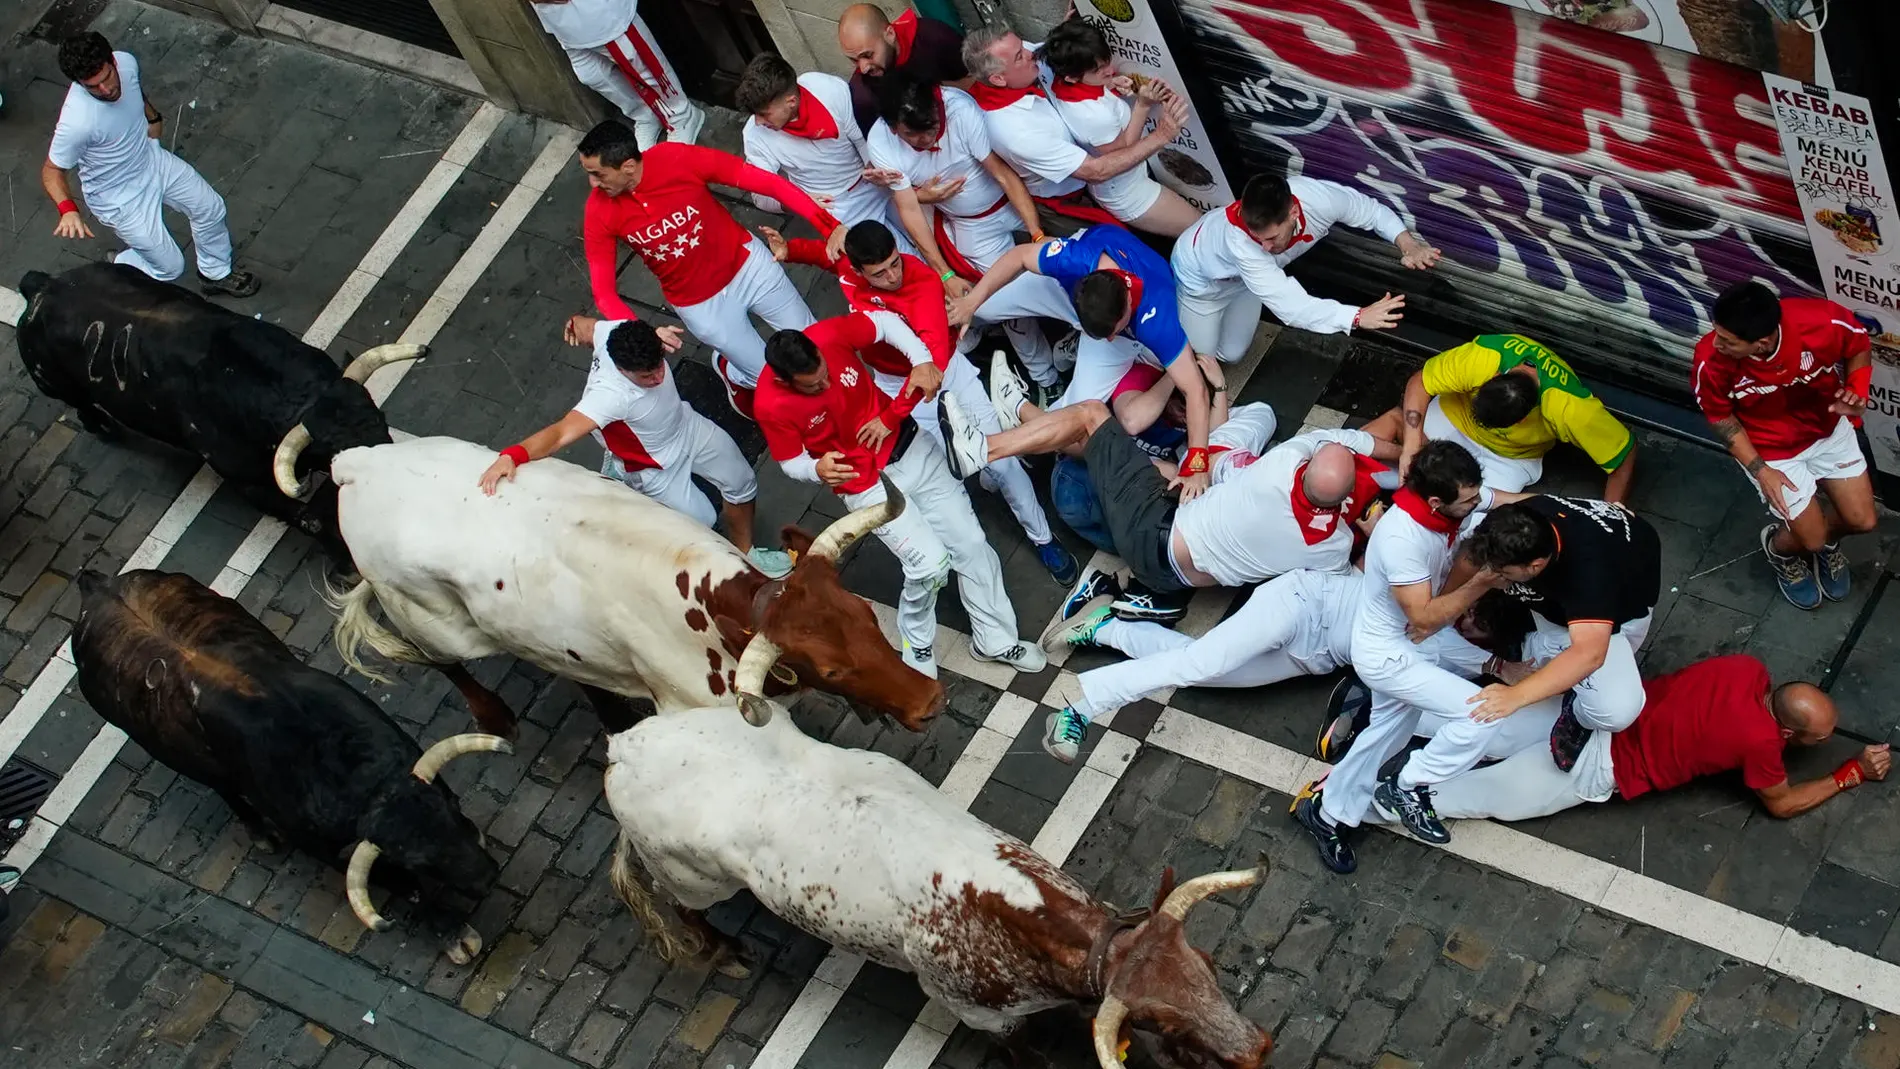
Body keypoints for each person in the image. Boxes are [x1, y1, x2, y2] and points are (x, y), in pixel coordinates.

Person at [762, 219, 1081, 584]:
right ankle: (969, 536)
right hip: (890, 382)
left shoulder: (924, 285)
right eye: (879, 273)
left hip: (943, 374)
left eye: (896, 263)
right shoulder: (849, 273)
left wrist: (890, 417)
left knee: (1004, 462)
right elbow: (828, 256)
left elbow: (931, 368)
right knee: (943, 468)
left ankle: (1043, 538)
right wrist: (794, 251)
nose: (893, 275)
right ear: (858, 270)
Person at [755, 316, 1046, 678]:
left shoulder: (829, 333)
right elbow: (788, 461)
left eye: (826, 373)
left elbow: (884, 323)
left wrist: (921, 359)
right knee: (930, 565)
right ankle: (917, 643)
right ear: (786, 381)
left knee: (971, 543)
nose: (827, 384)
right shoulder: (770, 404)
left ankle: (995, 641)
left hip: (911, 448)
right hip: (865, 485)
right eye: (814, 386)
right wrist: (814, 469)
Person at [1373, 494, 1661, 839]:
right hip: (1563, 604)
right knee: (1520, 712)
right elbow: (1472, 557)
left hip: (1622, 619)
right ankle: (1390, 711)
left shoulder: (1588, 571)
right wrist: (1442, 613)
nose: (1491, 576)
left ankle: (1550, 671)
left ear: (1534, 567)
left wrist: (1515, 696)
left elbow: (1590, 653)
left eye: (1501, 573)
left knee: (1615, 710)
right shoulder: (1514, 523)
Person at [1370, 655, 1890, 824]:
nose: (1822, 741)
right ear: (1786, 731)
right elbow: (1781, 803)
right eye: (1815, 738)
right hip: (1595, 767)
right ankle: (1360, 802)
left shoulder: (1745, 669)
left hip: (1585, 717)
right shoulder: (1761, 744)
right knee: (1480, 796)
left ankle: (1375, 711)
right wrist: (1850, 774)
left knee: (1485, 726)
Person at [1295, 440, 1497, 873]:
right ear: (1438, 501)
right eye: (1470, 501)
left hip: (1407, 648)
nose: (1478, 505)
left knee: (1384, 736)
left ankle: (1326, 812)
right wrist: (1482, 581)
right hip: (1390, 656)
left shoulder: (1448, 507)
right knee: (1481, 716)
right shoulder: (1404, 538)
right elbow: (1423, 620)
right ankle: (1409, 786)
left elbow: (1505, 500)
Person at [475, 316, 792, 577]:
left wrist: (573, 325)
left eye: (658, 367)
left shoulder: (617, 331)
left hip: (687, 426)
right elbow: (559, 433)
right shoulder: (610, 396)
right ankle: (625, 476)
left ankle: (747, 553)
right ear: (622, 369)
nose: (657, 378)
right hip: (655, 468)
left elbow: (586, 327)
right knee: (703, 524)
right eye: (646, 375)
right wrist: (512, 455)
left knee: (742, 481)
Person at [577, 120, 847, 420]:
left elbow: (764, 182)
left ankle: (842, 400)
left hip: (750, 268)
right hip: (701, 306)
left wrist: (830, 226)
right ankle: (735, 374)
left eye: (597, 174)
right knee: (771, 379)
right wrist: (644, 334)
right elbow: (603, 293)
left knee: (814, 343)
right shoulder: (598, 211)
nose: (592, 184)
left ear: (627, 166)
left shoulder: (676, 158)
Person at [866, 79, 1077, 398]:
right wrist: (945, 273)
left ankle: (1081, 331)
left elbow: (1003, 173)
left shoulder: (959, 110)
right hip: (970, 224)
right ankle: (1044, 377)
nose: (926, 139)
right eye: (914, 135)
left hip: (1014, 202)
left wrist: (1036, 233)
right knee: (1005, 297)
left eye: (931, 128)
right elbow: (908, 209)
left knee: (1068, 259)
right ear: (895, 129)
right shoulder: (881, 141)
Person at [947, 225, 1214, 470]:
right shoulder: (1074, 260)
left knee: (1074, 422)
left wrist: (1197, 464)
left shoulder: (1156, 320)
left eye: (1111, 331)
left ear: (1128, 306)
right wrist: (971, 304)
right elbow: (1019, 255)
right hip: (1072, 297)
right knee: (985, 304)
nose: (1106, 338)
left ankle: (1013, 413)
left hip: (1126, 339)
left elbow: (1196, 391)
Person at [1693, 281, 1876, 610]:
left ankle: (1823, 541)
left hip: (1829, 431)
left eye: (1728, 341)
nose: (1715, 343)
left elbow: (1858, 344)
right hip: (1770, 451)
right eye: (1717, 332)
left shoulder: (1822, 323)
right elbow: (1719, 417)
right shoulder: (1711, 360)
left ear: (1761, 343)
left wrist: (1857, 387)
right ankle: (1781, 550)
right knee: (1812, 538)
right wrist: (1761, 470)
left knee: (1862, 521)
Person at [42, 33, 258, 298]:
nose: (106, 90)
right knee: (170, 269)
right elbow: (52, 171)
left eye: (107, 77)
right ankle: (122, 264)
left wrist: (152, 117)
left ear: (113, 60)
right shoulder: (77, 123)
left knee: (210, 208)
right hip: (119, 197)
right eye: (93, 87)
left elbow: (134, 90)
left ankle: (215, 273)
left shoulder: (126, 63)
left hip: (150, 160)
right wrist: (68, 210)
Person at [1171, 174, 1439, 360]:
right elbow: (1292, 308)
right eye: (1258, 238)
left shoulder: (1318, 198)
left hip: (1245, 284)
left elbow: (1370, 211)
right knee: (1199, 363)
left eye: (1272, 238)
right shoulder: (1240, 243)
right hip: (1202, 285)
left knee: (1232, 354)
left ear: (1294, 214)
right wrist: (1356, 317)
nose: (1264, 247)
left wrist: (1408, 245)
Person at [962, 23, 1192, 235]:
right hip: (1072, 197)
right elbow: (1096, 170)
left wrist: (1104, 82)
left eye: (1022, 45)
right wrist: (1161, 133)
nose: (1032, 53)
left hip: (1113, 178)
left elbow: (1060, 57)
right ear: (998, 79)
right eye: (1020, 56)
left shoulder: (1025, 64)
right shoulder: (1016, 132)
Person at [1392, 334, 1637, 503]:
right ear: (1492, 377)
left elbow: (1623, 453)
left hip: (1509, 457)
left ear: (1520, 421)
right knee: (1394, 468)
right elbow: (1421, 382)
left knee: (1470, 518)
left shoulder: (1569, 407)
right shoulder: (1483, 359)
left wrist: (1612, 513)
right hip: (1452, 418)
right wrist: (1412, 444)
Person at [735, 54, 910, 250]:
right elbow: (760, 197)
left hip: (872, 179)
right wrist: (799, 201)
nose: (758, 122)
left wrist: (875, 169)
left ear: (791, 101)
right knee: (898, 259)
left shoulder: (826, 88)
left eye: (763, 114)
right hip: (838, 207)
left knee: (925, 231)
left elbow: (859, 138)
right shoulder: (755, 135)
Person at [530, 0, 704, 150]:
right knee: (591, 74)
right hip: (562, 20)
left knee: (641, 65)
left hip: (597, 12)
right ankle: (646, 114)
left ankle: (682, 115)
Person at [838, 2, 972, 134]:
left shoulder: (932, 37)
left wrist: (940, 90)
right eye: (854, 60)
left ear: (890, 34)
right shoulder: (862, 94)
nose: (863, 68)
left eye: (868, 55)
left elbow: (973, 81)